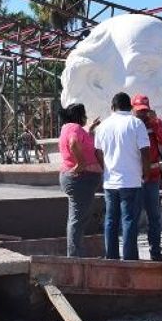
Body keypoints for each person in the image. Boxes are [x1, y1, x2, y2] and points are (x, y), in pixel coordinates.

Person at [94, 92, 151, 261]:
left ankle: (111, 256)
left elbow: (97, 152)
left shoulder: (103, 126)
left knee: (111, 219)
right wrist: (146, 171)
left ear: (112, 107)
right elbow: (145, 151)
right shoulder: (136, 123)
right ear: (130, 107)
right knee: (129, 220)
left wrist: (105, 167)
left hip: (110, 181)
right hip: (131, 180)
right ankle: (129, 258)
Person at [57, 103, 103, 257]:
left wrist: (89, 129)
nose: (86, 117)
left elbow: (79, 139)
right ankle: (75, 254)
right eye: (84, 115)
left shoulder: (68, 127)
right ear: (79, 116)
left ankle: (75, 252)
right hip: (80, 179)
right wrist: (80, 165)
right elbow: (74, 142)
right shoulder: (75, 129)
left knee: (78, 218)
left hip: (80, 180)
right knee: (77, 219)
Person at [132, 94, 162, 261]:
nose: (142, 114)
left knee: (154, 217)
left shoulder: (154, 123)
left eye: (145, 111)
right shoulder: (130, 124)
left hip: (152, 178)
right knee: (131, 217)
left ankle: (155, 252)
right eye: (139, 111)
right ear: (133, 109)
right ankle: (131, 253)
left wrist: (156, 123)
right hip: (133, 178)